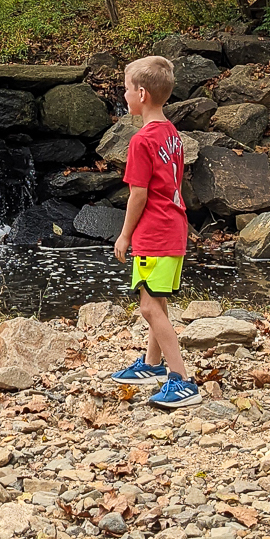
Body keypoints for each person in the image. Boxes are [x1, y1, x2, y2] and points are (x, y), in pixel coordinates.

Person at [107, 54, 198, 410]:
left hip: (154, 232)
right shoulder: (172, 133)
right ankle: (152, 365)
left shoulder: (141, 141)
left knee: (147, 307)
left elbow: (138, 194)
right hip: (175, 226)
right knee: (157, 300)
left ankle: (182, 380)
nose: (124, 95)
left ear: (141, 93)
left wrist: (125, 236)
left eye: (126, 89)